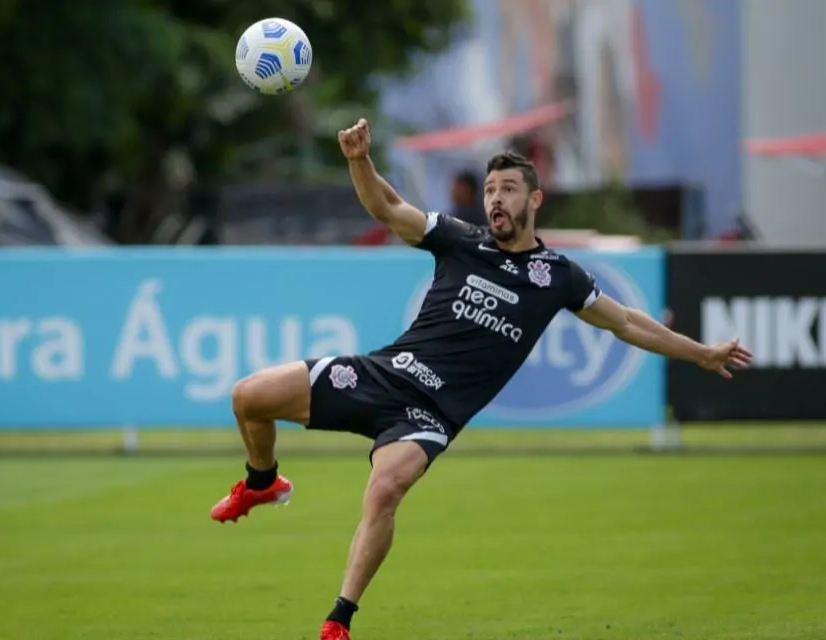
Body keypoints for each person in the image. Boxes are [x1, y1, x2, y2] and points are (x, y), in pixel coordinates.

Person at [209, 118, 753, 640]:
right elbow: (388, 205)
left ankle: (338, 619)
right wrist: (360, 161)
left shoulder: (557, 276)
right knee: (248, 398)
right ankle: (262, 484)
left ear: (534, 200)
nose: (496, 198)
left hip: (429, 414)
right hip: (383, 373)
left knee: (385, 490)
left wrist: (701, 353)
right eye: (491, 188)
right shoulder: (459, 239)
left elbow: (628, 321)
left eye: (509, 189)